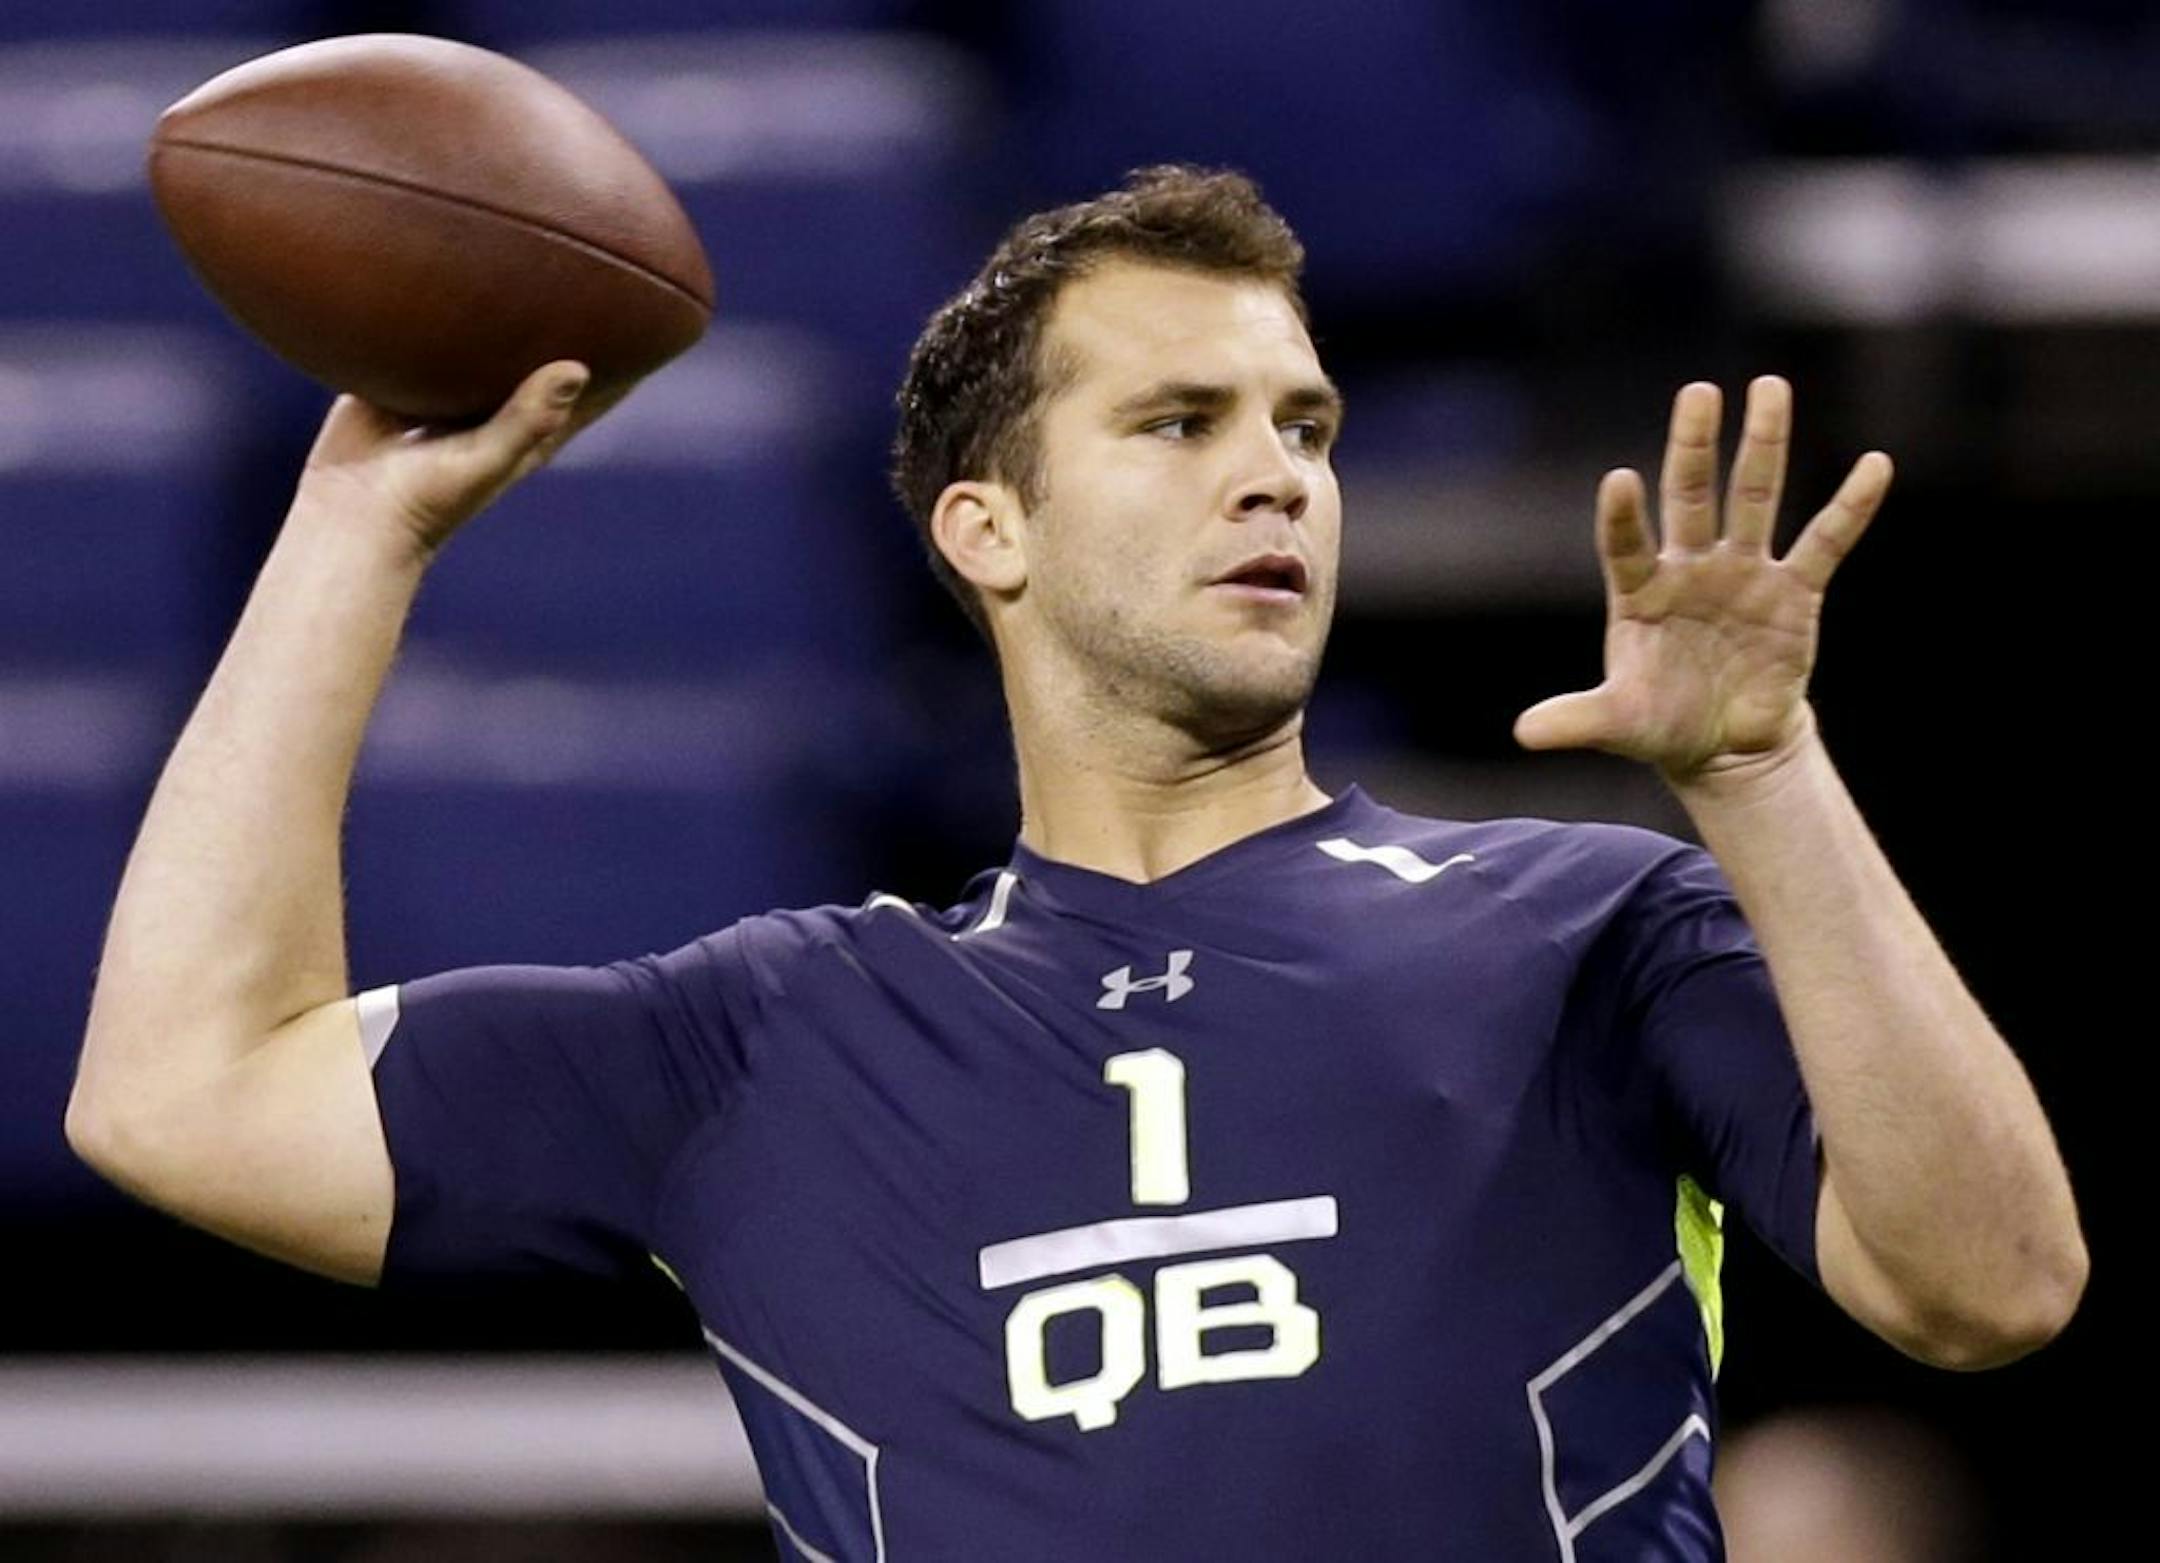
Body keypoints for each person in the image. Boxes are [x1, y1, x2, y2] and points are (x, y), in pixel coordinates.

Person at [66, 166, 2085, 1560]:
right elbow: (181, 1090)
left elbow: (1992, 1282)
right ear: (986, 533)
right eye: (1182, 419)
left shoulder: (1590, 921)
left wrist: (1767, 772)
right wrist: (357, 532)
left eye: (1308, 422)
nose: (1277, 467)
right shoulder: (774, 1036)